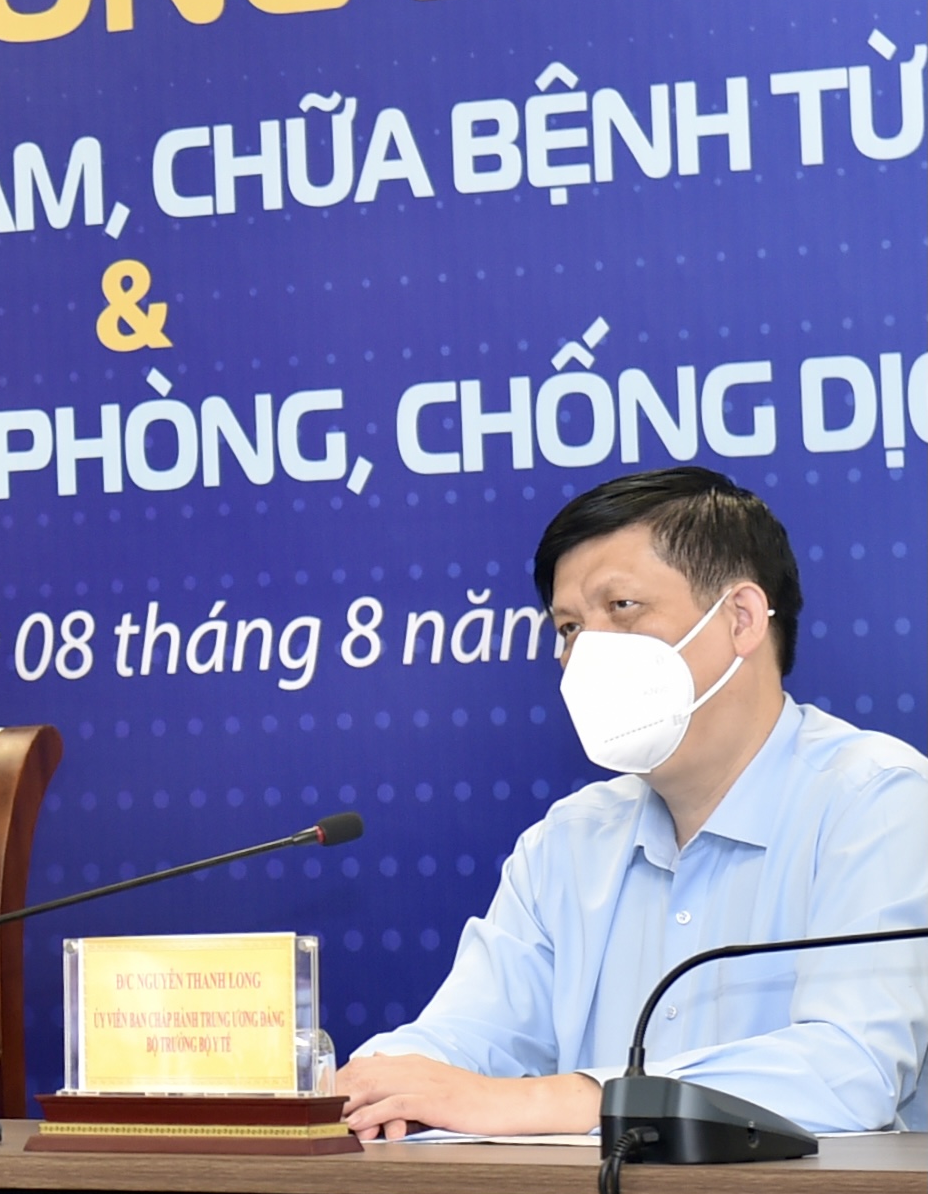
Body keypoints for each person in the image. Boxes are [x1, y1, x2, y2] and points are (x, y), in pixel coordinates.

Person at [338, 468, 926, 1139]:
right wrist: (374, 1084)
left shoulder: (877, 802)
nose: (583, 653)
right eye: (568, 627)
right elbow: (464, 1039)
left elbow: (850, 1071)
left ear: (740, 618)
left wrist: (556, 1101)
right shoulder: (568, 841)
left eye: (621, 607)